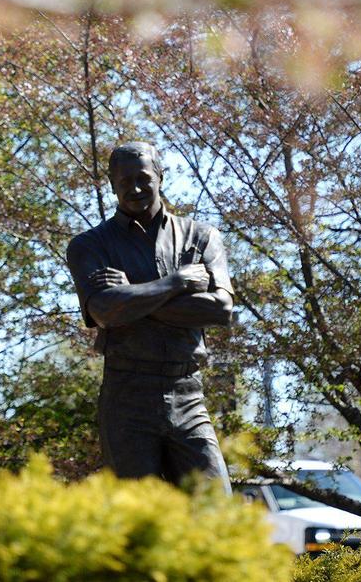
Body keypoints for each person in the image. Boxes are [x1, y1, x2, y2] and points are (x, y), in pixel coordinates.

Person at [66, 141, 234, 492]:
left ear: (161, 177)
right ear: (112, 184)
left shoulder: (201, 236)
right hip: (127, 395)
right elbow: (104, 311)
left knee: (215, 505)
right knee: (137, 519)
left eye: (144, 178)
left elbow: (219, 309)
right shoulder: (89, 245)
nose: (136, 188)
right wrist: (176, 283)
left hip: (188, 391)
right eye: (124, 181)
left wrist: (133, 296)